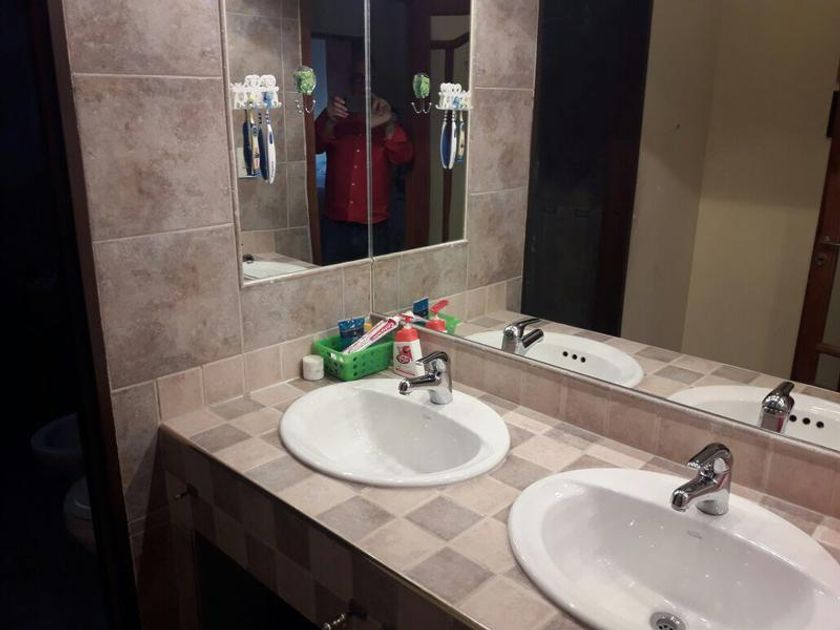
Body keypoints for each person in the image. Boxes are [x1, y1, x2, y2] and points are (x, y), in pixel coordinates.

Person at [315, 59, 414, 264]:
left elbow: (403, 157)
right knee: (333, 278)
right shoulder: (334, 116)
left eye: (367, 79)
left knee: (376, 280)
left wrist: (388, 123)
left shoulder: (387, 119)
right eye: (357, 78)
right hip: (336, 222)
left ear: (375, 81)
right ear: (349, 81)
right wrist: (330, 120)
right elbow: (313, 148)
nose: (362, 85)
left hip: (374, 223)